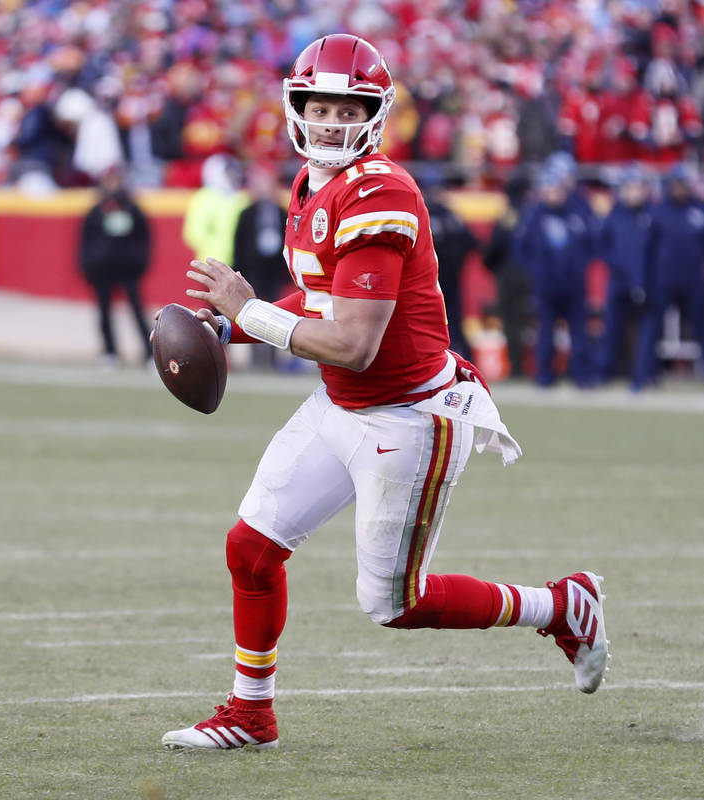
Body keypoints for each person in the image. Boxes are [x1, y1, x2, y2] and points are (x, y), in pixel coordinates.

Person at [160, 34, 609, 752]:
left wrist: (249, 313)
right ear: (297, 109)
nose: (333, 122)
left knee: (394, 604)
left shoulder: (380, 192)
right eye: (321, 106)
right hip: (341, 405)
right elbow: (317, 300)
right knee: (250, 548)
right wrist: (229, 326)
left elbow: (354, 342)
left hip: (409, 415)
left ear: (375, 114)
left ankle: (560, 606)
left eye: (348, 108)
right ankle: (251, 713)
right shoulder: (312, 186)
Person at [633, 165, 704, 393]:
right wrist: (642, 282)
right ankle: (639, 382)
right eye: (676, 185)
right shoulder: (658, 212)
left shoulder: (703, 212)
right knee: (650, 331)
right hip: (662, 283)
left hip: (695, 284)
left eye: (684, 184)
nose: (680, 189)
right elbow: (645, 252)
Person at [514, 164, 595, 387]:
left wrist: (580, 269)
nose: (554, 194)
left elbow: (589, 245)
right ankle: (544, 375)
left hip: (574, 285)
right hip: (546, 286)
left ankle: (581, 375)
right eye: (550, 189)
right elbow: (521, 249)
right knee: (545, 332)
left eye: (557, 189)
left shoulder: (576, 214)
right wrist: (535, 272)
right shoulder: (534, 216)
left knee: (579, 332)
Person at [78, 167, 154, 368]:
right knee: (103, 312)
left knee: (137, 311)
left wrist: (140, 262)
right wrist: (88, 265)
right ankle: (110, 352)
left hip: (128, 269)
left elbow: (144, 239)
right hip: (102, 270)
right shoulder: (97, 211)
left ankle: (149, 354)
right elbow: (86, 240)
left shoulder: (132, 209)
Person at [597, 166, 652, 382]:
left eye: (639, 187)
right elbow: (602, 245)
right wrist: (617, 265)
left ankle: (643, 376)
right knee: (612, 329)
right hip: (619, 281)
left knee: (645, 333)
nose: (635, 192)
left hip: (645, 281)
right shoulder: (615, 215)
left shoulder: (650, 215)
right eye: (631, 187)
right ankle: (604, 373)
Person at [232, 165, 290, 371]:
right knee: (253, 314)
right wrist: (238, 271)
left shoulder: (283, 212)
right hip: (252, 271)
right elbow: (238, 243)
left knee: (276, 314)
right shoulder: (247, 213)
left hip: (273, 272)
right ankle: (255, 358)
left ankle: (273, 358)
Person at [482, 171, 533, 377]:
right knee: (527, 320)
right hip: (528, 274)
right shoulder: (533, 213)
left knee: (512, 322)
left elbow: (495, 246)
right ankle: (533, 366)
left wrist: (491, 266)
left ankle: (517, 367)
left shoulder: (508, 215)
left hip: (508, 274)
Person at [420, 170, 476, 358]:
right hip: (430, 282)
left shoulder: (448, 215)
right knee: (432, 324)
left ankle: (460, 360)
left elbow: (470, 242)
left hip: (446, 280)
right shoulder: (426, 213)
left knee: (452, 322)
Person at [182, 153, 246, 267]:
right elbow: (194, 234)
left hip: (240, 261)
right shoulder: (203, 199)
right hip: (212, 263)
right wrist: (216, 250)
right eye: (228, 172)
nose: (234, 176)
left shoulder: (241, 199)